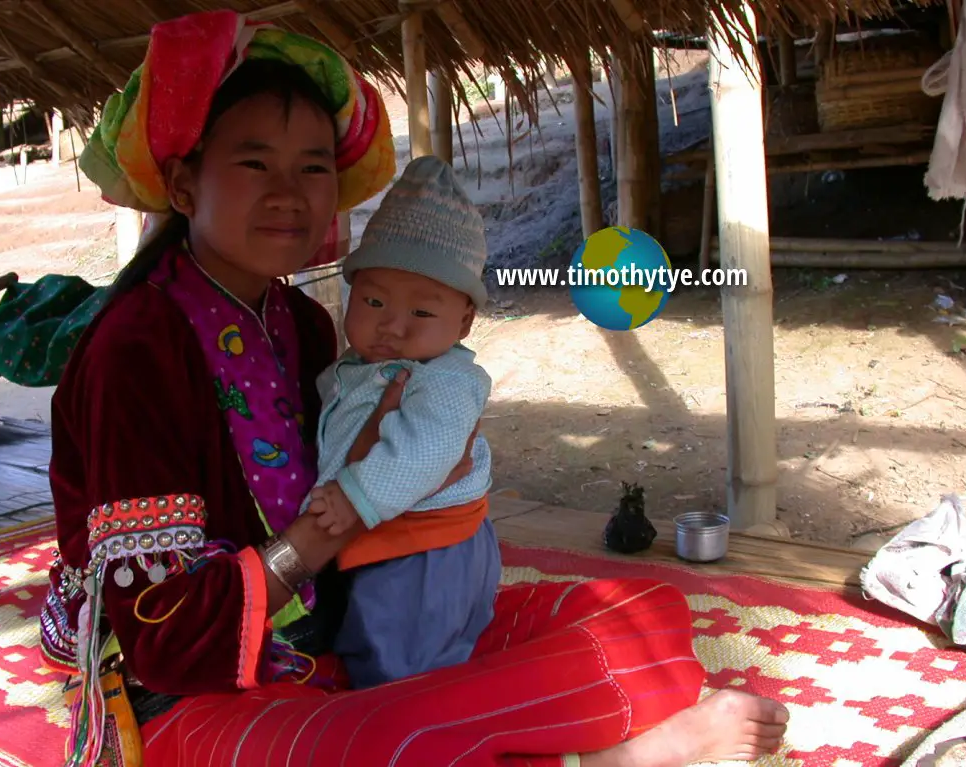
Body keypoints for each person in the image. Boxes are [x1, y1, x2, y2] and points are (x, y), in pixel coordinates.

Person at [39, 10, 790, 767]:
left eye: (312, 166)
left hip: (347, 632)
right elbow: (164, 642)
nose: (290, 193)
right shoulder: (133, 351)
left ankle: (453, 730)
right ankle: (609, 758)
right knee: (368, 747)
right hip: (193, 696)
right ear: (182, 180)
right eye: (255, 163)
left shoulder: (299, 319)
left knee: (645, 617)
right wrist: (327, 529)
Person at [300, 155, 501, 689]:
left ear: (464, 321)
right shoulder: (362, 367)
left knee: (402, 669)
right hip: (395, 543)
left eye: (422, 312)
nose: (392, 325)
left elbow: (429, 450)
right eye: (373, 300)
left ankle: (413, 733)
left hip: (425, 552)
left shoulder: (447, 380)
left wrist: (351, 496)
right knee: (382, 645)